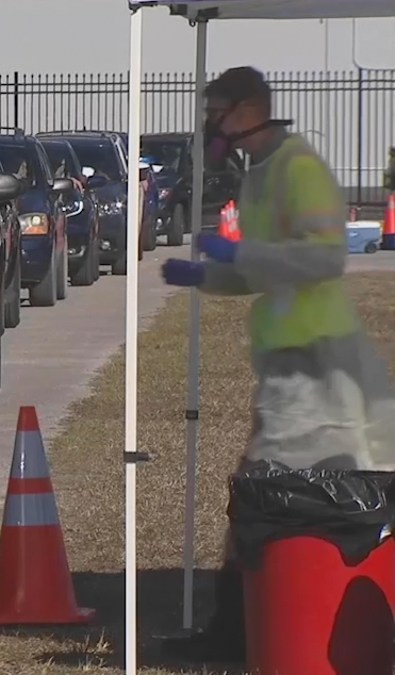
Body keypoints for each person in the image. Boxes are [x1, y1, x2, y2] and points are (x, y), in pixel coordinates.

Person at [159, 66, 395, 662]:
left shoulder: (298, 167)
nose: (209, 121)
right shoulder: (259, 172)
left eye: (217, 109)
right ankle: (237, 625)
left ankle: (241, 630)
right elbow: (265, 270)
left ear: (247, 110)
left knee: (268, 491)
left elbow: (322, 259)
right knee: (262, 492)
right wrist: (209, 275)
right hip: (290, 360)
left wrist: (243, 252)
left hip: (316, 362)